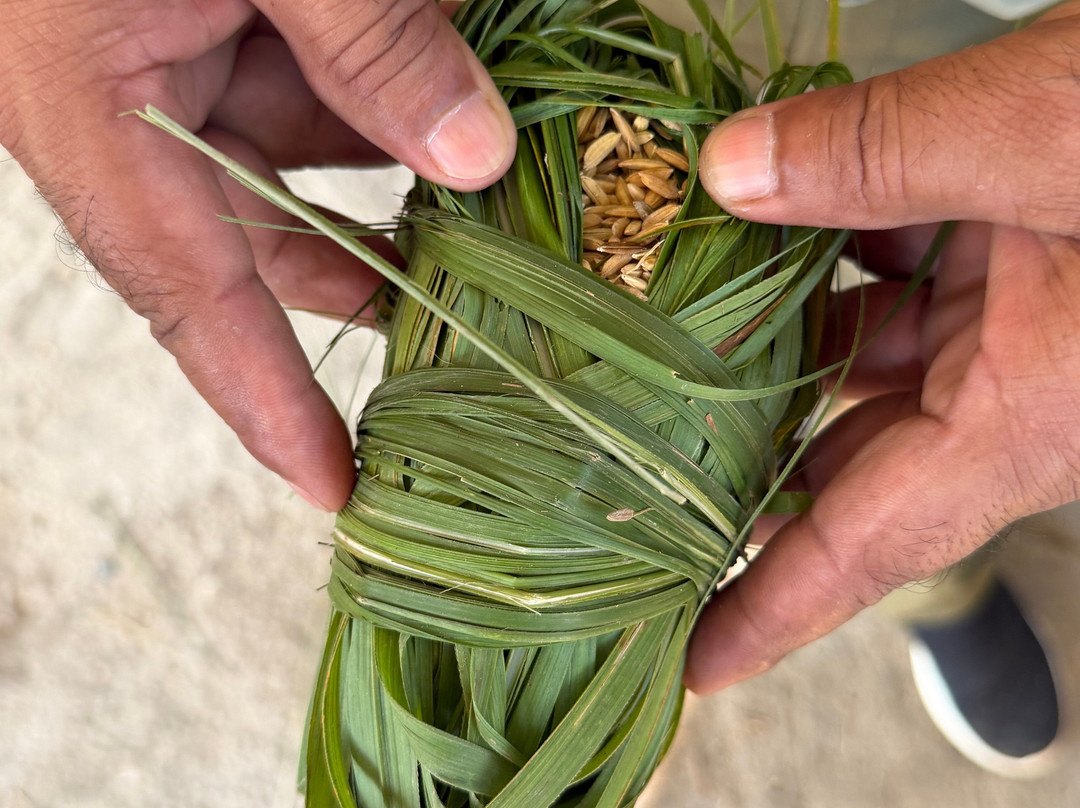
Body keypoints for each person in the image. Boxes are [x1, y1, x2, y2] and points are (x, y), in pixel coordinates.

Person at [1, 0, 1073, 782]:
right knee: (880, 412)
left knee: (914, 372)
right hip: (496, 70)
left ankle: (946, 586)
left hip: (922, 61)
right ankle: (931, 583)